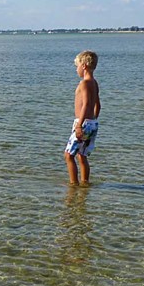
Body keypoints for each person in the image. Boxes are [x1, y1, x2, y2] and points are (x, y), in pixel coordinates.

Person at [64, 50, 101, 185]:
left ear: (84, 66)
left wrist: (80, 124)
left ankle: (74, 184)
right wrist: (93, 121)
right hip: (91, 123)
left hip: (83, 123)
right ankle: (85, 183)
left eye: (77, 66)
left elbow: (85, 104)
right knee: (82, 155)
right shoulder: (94, 83)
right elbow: (98, 105)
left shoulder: (84, 83)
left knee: (69, 155)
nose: (77, 70)